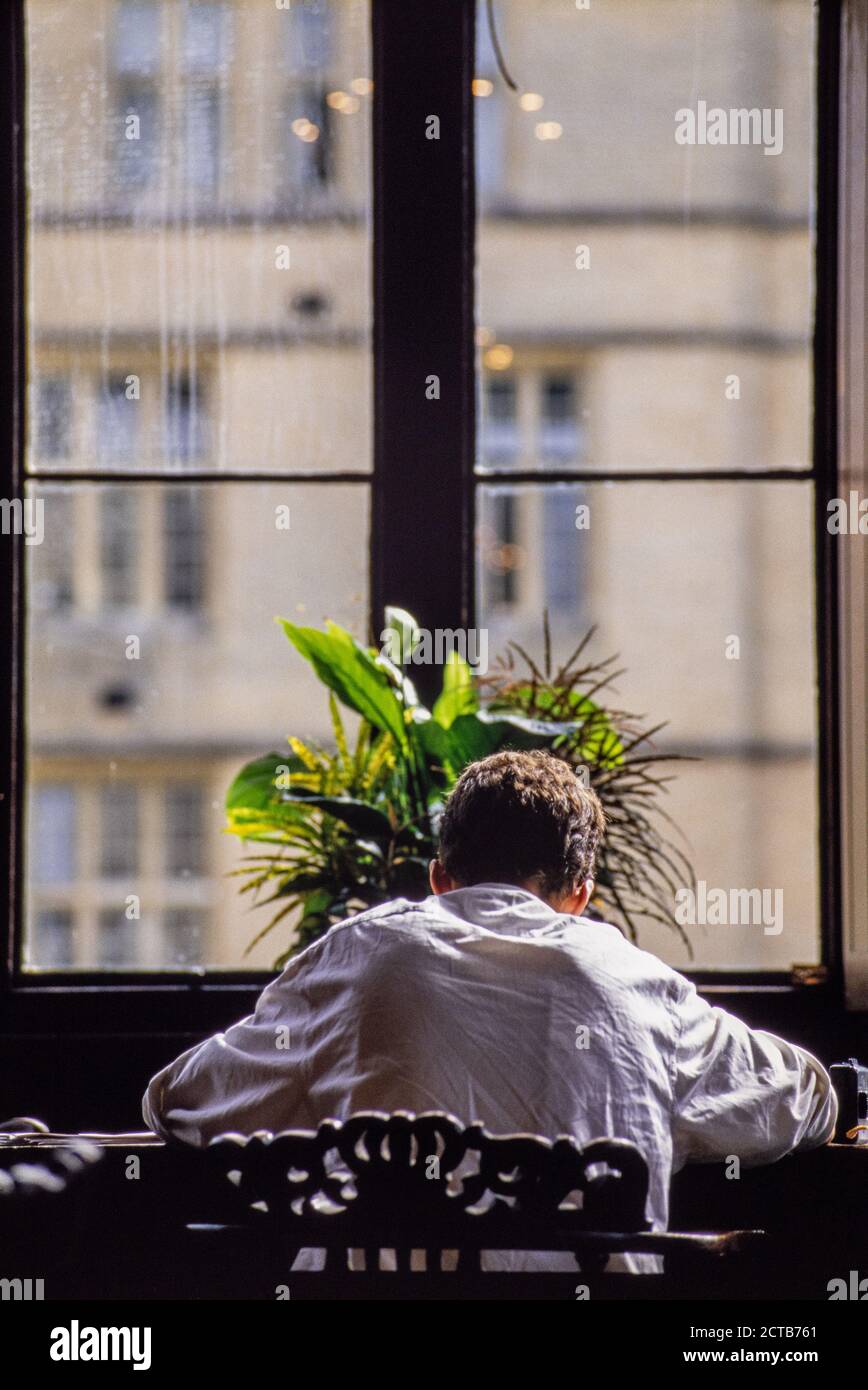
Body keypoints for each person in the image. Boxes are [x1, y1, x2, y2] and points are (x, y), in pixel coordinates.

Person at [143, 748, 836, 1266]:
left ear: (439, 878)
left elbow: (181, 1101)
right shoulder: (637, 982)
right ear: (581, 895)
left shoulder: (360, 956)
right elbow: (801, 1101)